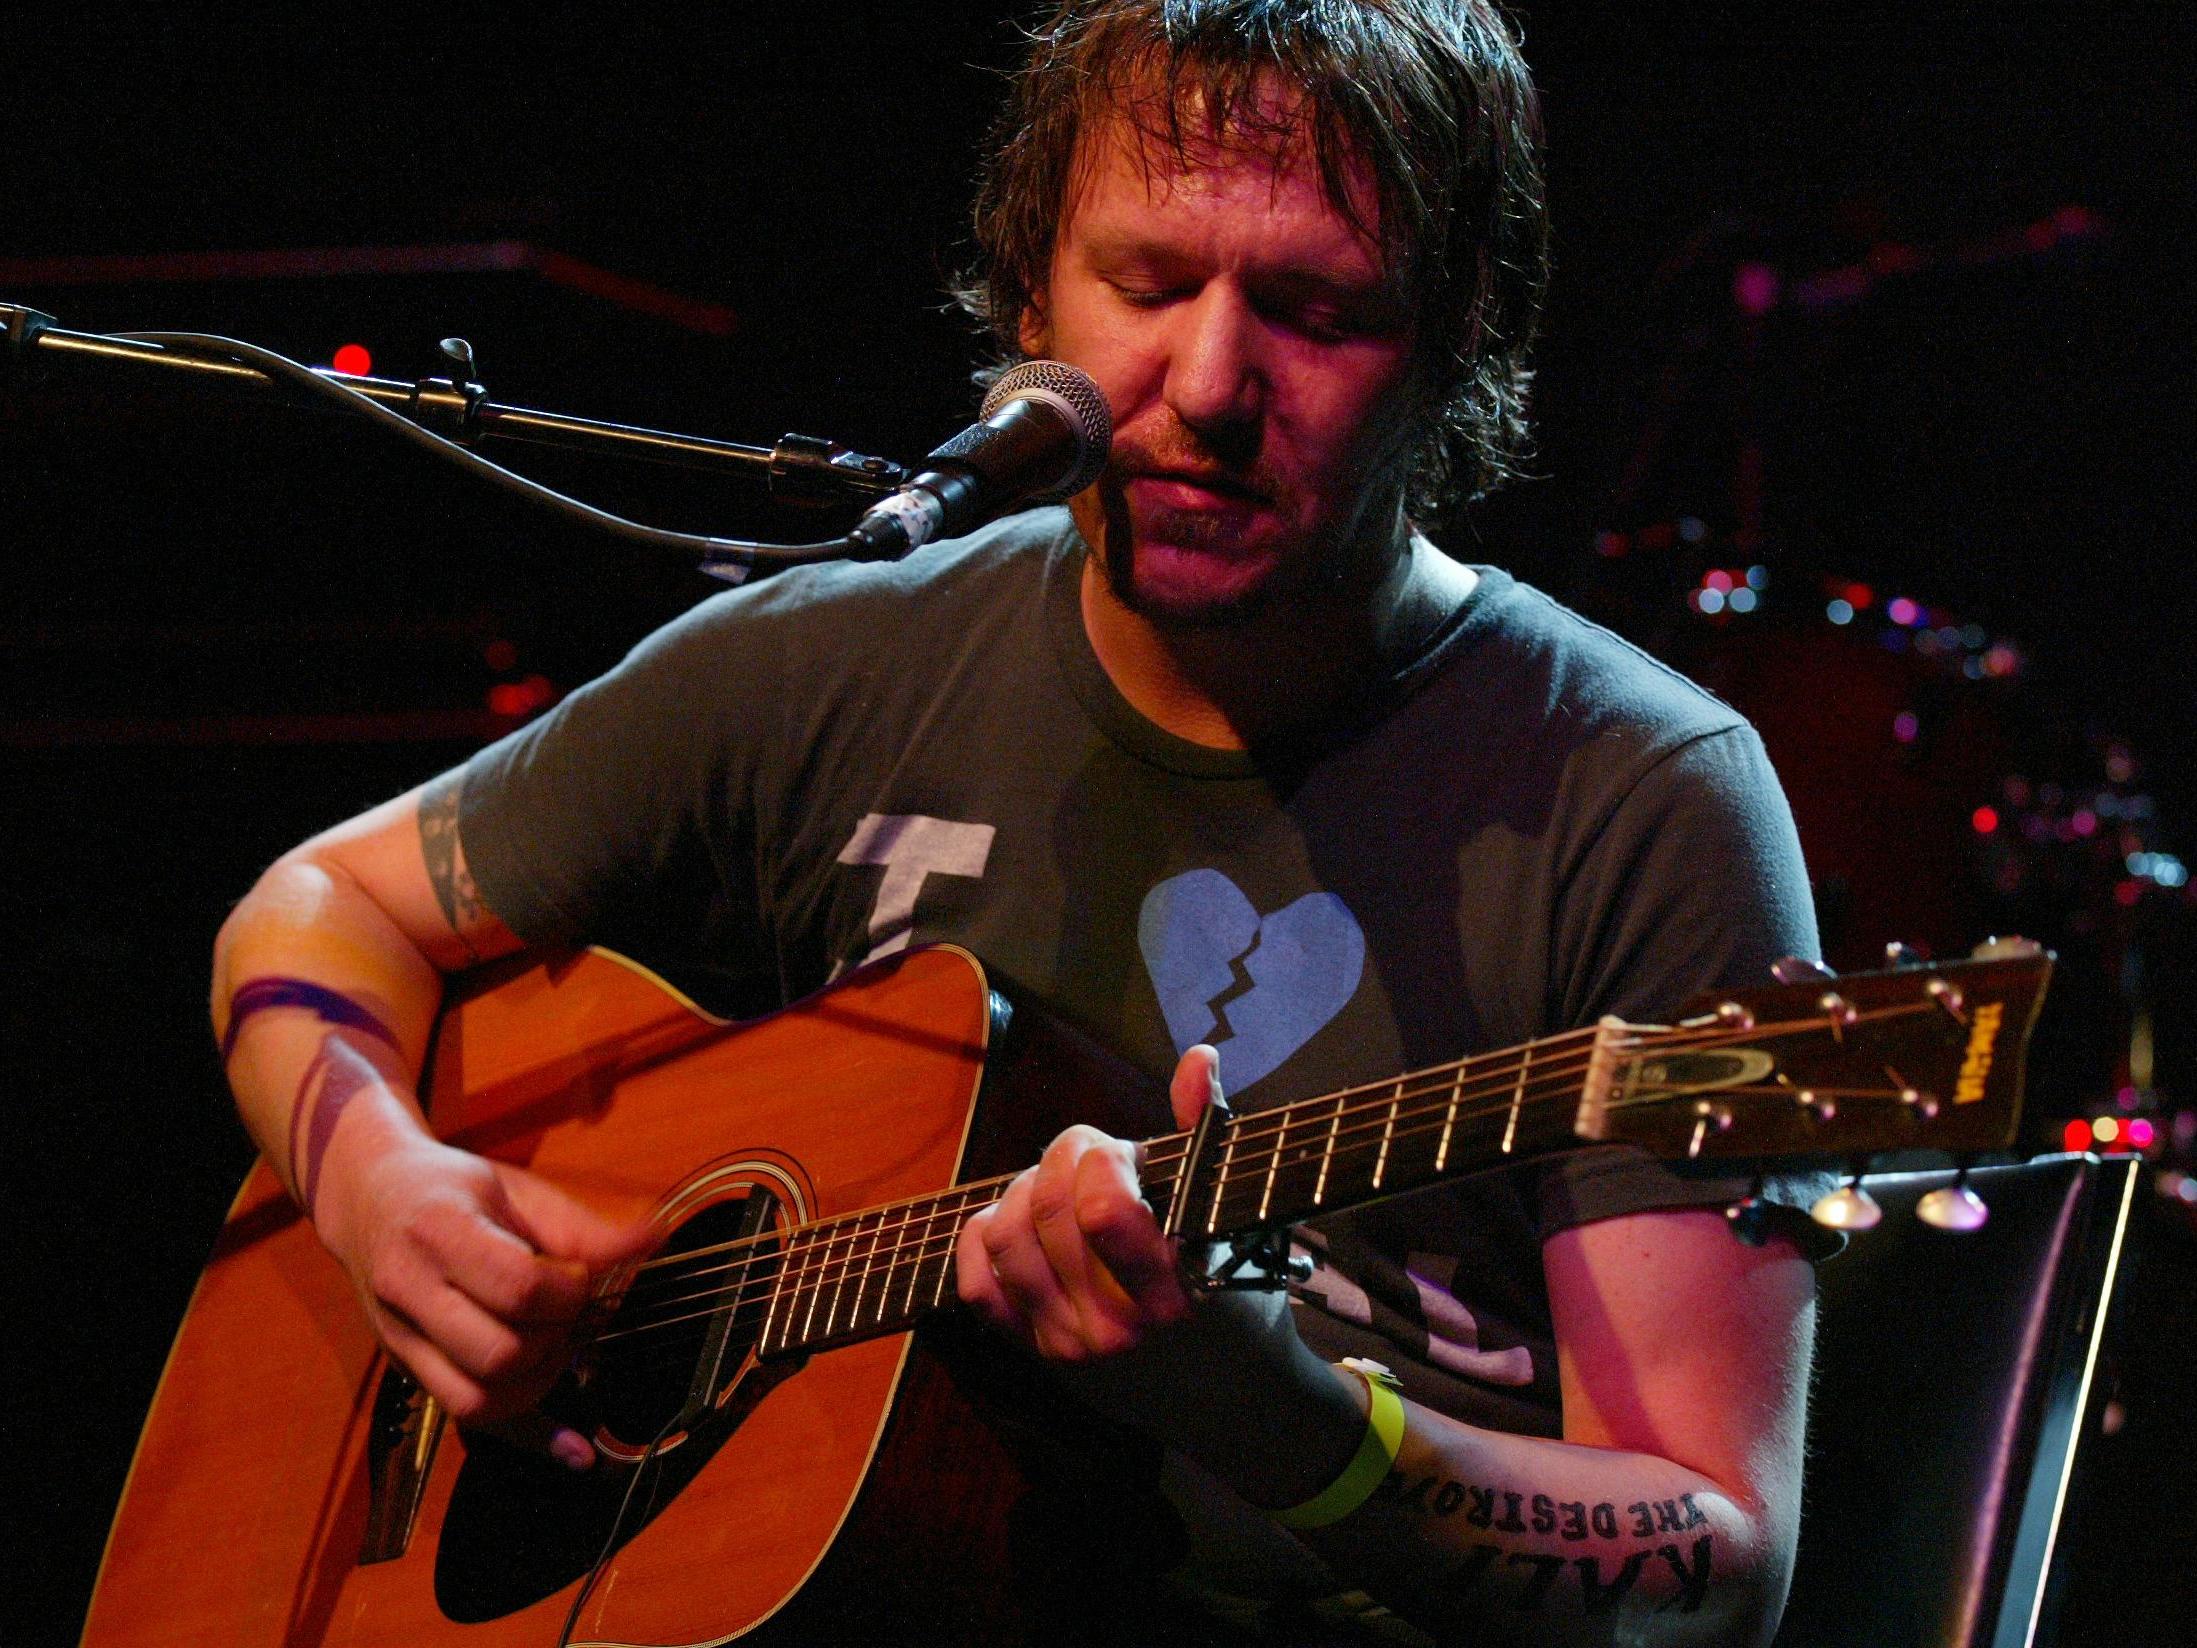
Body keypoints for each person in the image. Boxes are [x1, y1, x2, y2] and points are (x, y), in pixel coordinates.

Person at [212, 3, 1831, 1642]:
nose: (1206, 385)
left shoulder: (1638, 794)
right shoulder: (842, 660)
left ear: (1454, 338)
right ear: (1029, 292)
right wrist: (384, 1194)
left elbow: (1716, 1569)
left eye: (1315, 310)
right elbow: (310, 911)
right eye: (1144, 287)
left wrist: (1278, 1417)